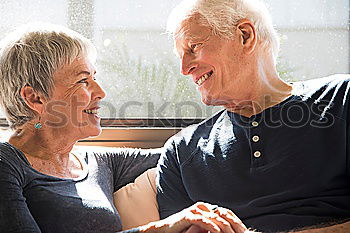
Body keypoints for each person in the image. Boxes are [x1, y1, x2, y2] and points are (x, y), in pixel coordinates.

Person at [0, 23, 241, 233]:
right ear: (35, 98)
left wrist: (241, 106)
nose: (101, 92)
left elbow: (183, 151)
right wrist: (160, 230)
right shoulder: (6, 164)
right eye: (83, 80)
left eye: (95, 77)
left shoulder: (100, 163)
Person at [156, 0, 350, 232]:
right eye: (180, 56)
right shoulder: (181, 152)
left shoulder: (342, 98)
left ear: (245, 36)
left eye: (194, 47)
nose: (184, 69)